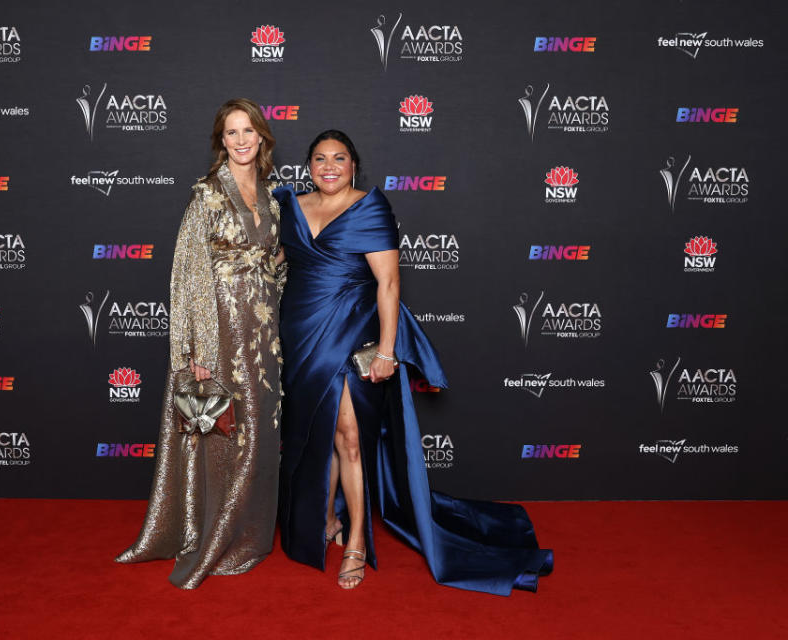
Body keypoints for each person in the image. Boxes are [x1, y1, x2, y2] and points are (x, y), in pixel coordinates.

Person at [274, 130, 553, 593]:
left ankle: (357, 541)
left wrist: (388, 350)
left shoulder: (370, 208)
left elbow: (388, 285)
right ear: (308, 166)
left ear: (354, 165)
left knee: (350, 438)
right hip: (300, 335)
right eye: (319, 159)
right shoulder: (290, 206)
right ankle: (324, 519)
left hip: (350, 335)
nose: (329, 166)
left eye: (338, 158)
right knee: (311, 432)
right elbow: (276, 262)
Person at [115, 98, 285, 589]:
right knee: (225, 432)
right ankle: (215, 536)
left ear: (262, 136)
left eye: (248, 130)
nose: (240, 140)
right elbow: (187, 276)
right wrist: (197, 352)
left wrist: (274, 291)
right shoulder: (207, 195)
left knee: (262, 429)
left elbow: (276, 262)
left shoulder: (272, 197)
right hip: (221, 330)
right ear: (221, 141)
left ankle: (251, 532)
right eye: (231, 132)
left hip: (264, 333)